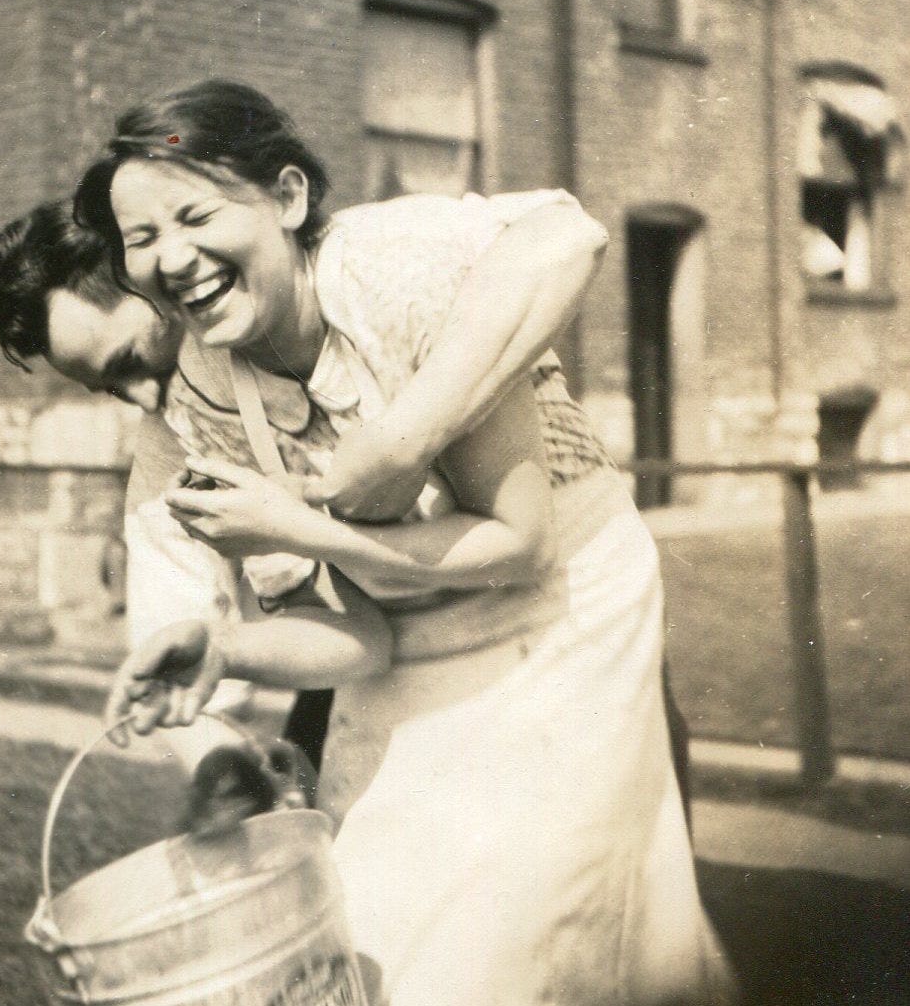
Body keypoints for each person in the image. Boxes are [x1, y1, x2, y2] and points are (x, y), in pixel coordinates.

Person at [76, 78, 731, 1005]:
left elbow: (521, 546)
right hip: (417, 641)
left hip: (563, 616)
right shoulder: (210, 393)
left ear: (288, 197)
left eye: (195, 215)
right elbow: (361, 637)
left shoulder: (396, 278)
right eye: (141, 238)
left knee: (517, 943)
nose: (171, 257)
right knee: (373, 923)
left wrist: (343, 490)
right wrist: (225, 645)